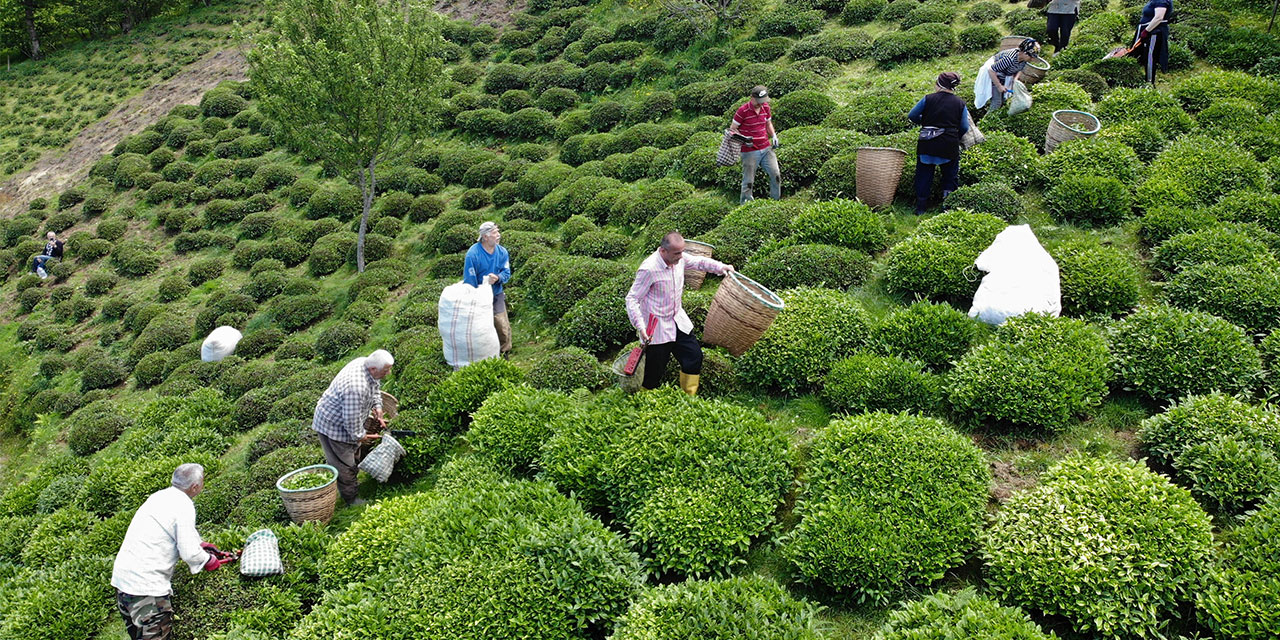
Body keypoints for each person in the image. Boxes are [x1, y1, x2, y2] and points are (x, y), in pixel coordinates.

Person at [111, 463, 234, 640]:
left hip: (123, 583)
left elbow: (177, 532)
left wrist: (202, 545)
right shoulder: (184, 506)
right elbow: (190, 553)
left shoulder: (159, 497)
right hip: (146, 591)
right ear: (195, 486)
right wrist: (208, 560)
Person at [625, 232, 734, 395]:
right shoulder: (649, 269)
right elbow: (632, 299)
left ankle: (688, 397)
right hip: (656, 329)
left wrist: (721, 267)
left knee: (694, 356)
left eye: (682, 252)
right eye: (677, 253)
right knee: (654, 372)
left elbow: (699, 262)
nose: (681, 256)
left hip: (677, 320)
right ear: (663, 251)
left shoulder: (680, 258)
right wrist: (641, 327)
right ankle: (644, 402)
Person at [310, 349, 394, 506]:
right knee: (345, 464)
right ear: (374, 369)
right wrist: (360, 436)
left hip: (346, 419)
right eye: (386, 370)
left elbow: (375, 386)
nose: (388, 373)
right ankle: (351, 499)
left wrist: (377, 405)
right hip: (333, 426)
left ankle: (353, 485)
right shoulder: (356, 387)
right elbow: (350, 421)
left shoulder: (366, 363)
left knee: (353, 455)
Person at [908, 72, 971, 215]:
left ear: (940, 84)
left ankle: (921, 208)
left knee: (923, 175)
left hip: (927, 143)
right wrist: (955, 136)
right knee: (950, 176)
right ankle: (948, 208)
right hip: (949, 144)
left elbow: (912, 115)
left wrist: (925, 123)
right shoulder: (960, 103)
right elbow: (965, 127)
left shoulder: (927, 99)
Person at [462, 222, 512, 358]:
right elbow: (469, 279)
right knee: (481, 325)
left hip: (496, 293)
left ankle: (504, 350)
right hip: (478, 295)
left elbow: (506, 272)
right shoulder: (473, 255)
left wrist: (498, 278)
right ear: (485, 236)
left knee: (501, 322)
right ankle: (483, 354)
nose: (498, 235)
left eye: (498, 231)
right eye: (495, 233)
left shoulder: (502, 252)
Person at [729, 85, 781, 205]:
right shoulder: (742, 111)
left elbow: (768, 123)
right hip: (749, 151)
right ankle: (745, 204)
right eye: (759, 101)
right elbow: (732, 129)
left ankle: (775, 201)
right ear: (752, 98)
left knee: (776, 174)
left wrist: (773, 135)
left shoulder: (766, 108)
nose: (761, 104)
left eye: (763, 101)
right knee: (748, 180)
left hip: (766, 148)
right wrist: (743, 139)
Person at [975, 38, 1040, 110]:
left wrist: (1015, 80)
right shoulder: (1009, 59)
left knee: (1003, 100)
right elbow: (991, 70)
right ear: (1025, 53)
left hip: (1004, 76)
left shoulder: (1024, 60)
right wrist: (999, 86)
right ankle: (986, 120)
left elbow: (1020, 70)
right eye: (1031, 57)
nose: (1032, 59)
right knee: (997, 103)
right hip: (993, 76)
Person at [1133, 0, 1172, 85]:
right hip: (1149, 31)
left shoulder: (1161, 1)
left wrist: (1146, 31)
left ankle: (1149, 83)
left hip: (1154, 32)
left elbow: (1159, 17)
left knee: (1150, 58)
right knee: (1141, 55)